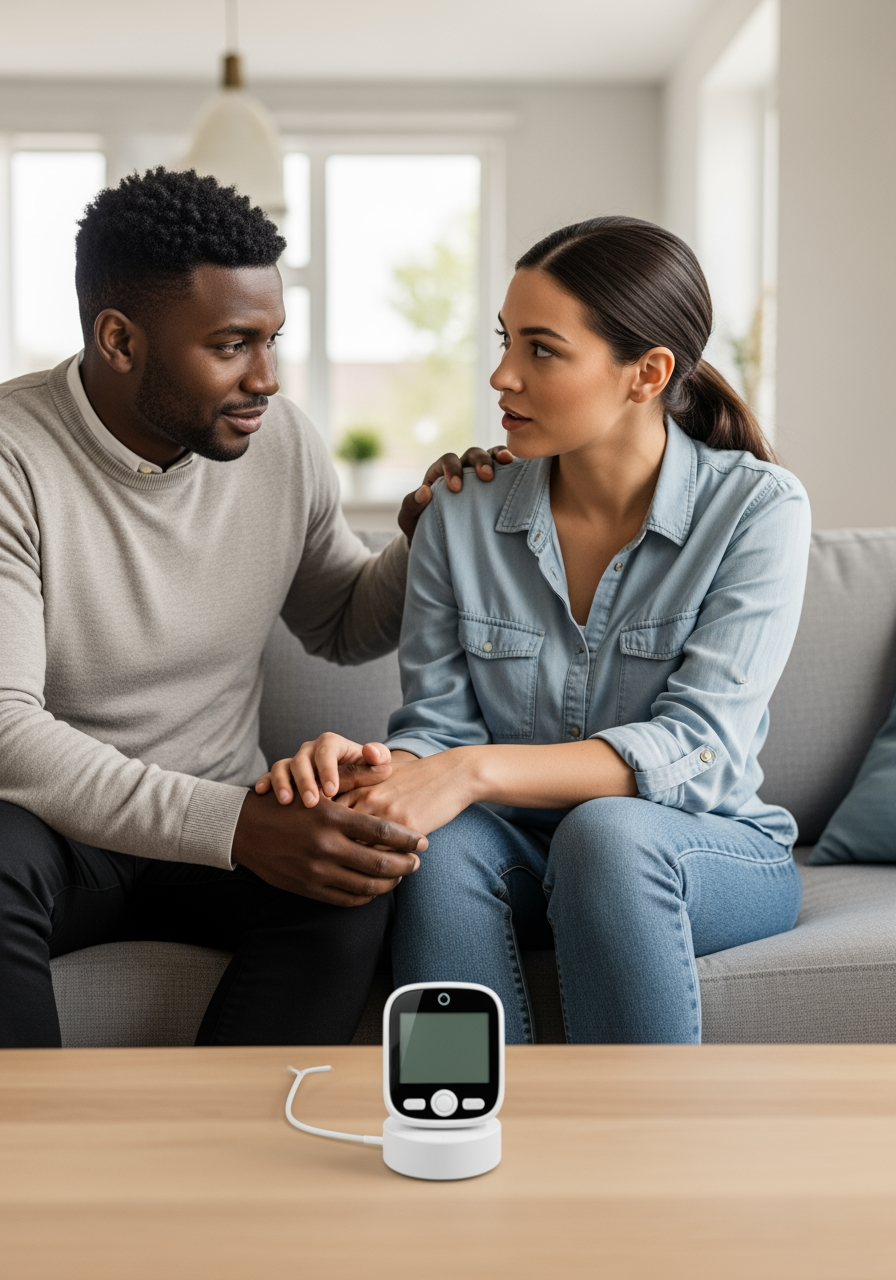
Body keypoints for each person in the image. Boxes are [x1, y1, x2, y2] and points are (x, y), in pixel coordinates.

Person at [261, 216, 812, 1045]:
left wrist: (471, 773)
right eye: (504, 340)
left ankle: (640, 1158)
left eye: (542, 350)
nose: (502, 376)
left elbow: (702, 749)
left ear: (647, 373)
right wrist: (375, 771)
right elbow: (436, 730)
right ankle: (460, 1131)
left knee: (606, 834)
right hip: (514, 853)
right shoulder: (456, 513)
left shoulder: (759, 510)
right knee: (435, 849)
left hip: (705, 851)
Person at [0, 167, 508, 1048]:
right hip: (50, 833)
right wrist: (235, 826)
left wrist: (423, 546)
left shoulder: (280, 444)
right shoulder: (15, 458)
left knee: (351, 881)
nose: (267, 378)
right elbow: (7, 730)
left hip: (220, 810)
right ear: (119, 340)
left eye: (273, 340)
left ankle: (237, 1163)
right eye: (233, 344)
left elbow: (341, 623)